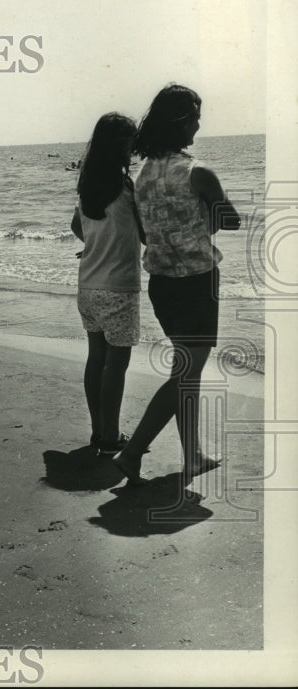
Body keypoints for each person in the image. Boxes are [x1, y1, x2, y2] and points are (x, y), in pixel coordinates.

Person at [113, 83, 241, 484]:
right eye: (196, 118)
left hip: (163, 285)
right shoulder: (198, 172)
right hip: (197, 282)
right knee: (187, 373)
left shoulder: (141, 174)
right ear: (183, 121)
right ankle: (132, 453)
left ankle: (193, 456)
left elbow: (148, 235)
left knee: (186, 371)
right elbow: (231, 220)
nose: (198, 127)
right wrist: (203, 219)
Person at [70, 113, 143, 456]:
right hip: (118, 287)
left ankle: (99, 431)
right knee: (117, 364)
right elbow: (146, 233)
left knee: (95, 358)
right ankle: (111, 437)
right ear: (119, 146)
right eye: (131, 142)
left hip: (88, 285)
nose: (135, 148)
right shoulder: (126, 186)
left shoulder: (87, 186)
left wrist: (96, 243)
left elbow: (76, 226)